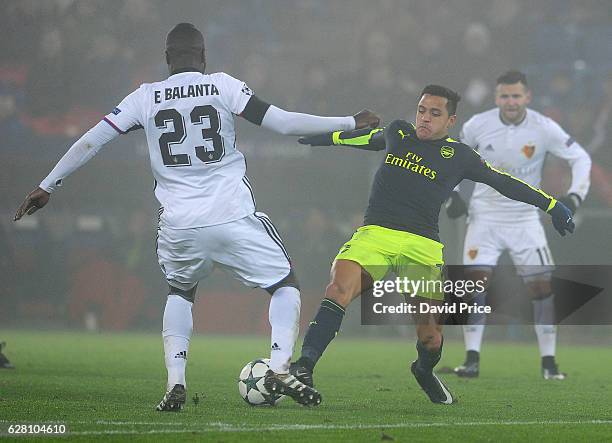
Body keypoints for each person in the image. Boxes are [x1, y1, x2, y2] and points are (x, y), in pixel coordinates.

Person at [13, 23, 379, 411]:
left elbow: (92, 139)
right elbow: (283, 122)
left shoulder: (145, 97)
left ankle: (175, 382)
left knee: (180, 292)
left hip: (180, 225)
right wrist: (348, 122)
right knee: (285, 283)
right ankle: (280, 365)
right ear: (203, 57)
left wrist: (47, 185)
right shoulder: (222, 85)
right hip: (232, 215)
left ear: (168, 59)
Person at [290, 85, 575, 405]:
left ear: (450, 120)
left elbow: (503, 182)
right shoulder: (399, 132)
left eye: (434, 113)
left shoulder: (461, 156)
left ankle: (424, 371)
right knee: (337, 290)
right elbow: (361, 139)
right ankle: (304, 366)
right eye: (421, 110)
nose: (424, 118)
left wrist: (552, 205)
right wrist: (322, 135)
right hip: (375, 234)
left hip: (422, 246)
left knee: (430, 336)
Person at [446, 71, 591, 380]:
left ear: (528, 97)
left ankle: (549, 363)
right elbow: (452, 160)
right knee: (475, 286)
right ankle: (471, 359)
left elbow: (580, 158)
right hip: (484, 216)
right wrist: (455, 196)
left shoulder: (543, 127)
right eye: (504, 96)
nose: (510, 102)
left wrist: (575, 196)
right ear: (496, 98)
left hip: (526, 219)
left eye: (516, 96)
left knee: (541, 289)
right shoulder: (477, 126)